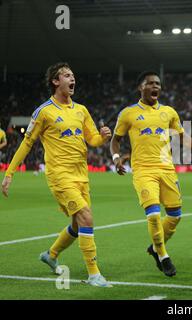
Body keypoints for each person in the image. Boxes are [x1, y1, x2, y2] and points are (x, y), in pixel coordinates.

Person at [1, 62, 112, 287]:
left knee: (78, 224)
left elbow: (93, 140)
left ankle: (51, 255)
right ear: (55, 81)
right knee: (87, 217)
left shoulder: (81, 110)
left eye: (73, 75)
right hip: (59, 175)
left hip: (81, 175)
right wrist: (9, 173)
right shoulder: (44, 112)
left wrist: (104, 137)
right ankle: (94, 274)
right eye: (67, 76)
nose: (73, 79)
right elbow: (26, 143)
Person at [110, 71, 192, 277]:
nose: (156, 87)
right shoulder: (128, 113)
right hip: (143, 170)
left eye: (158, 84)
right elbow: (115, 140)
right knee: (153, 214)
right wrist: (116, 157)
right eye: (151, 83)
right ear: (140, 87)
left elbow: (182, 136)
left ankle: (154, 247)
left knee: (175, 216)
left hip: (167, 169)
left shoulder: (169, 112)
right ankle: (163, 255)